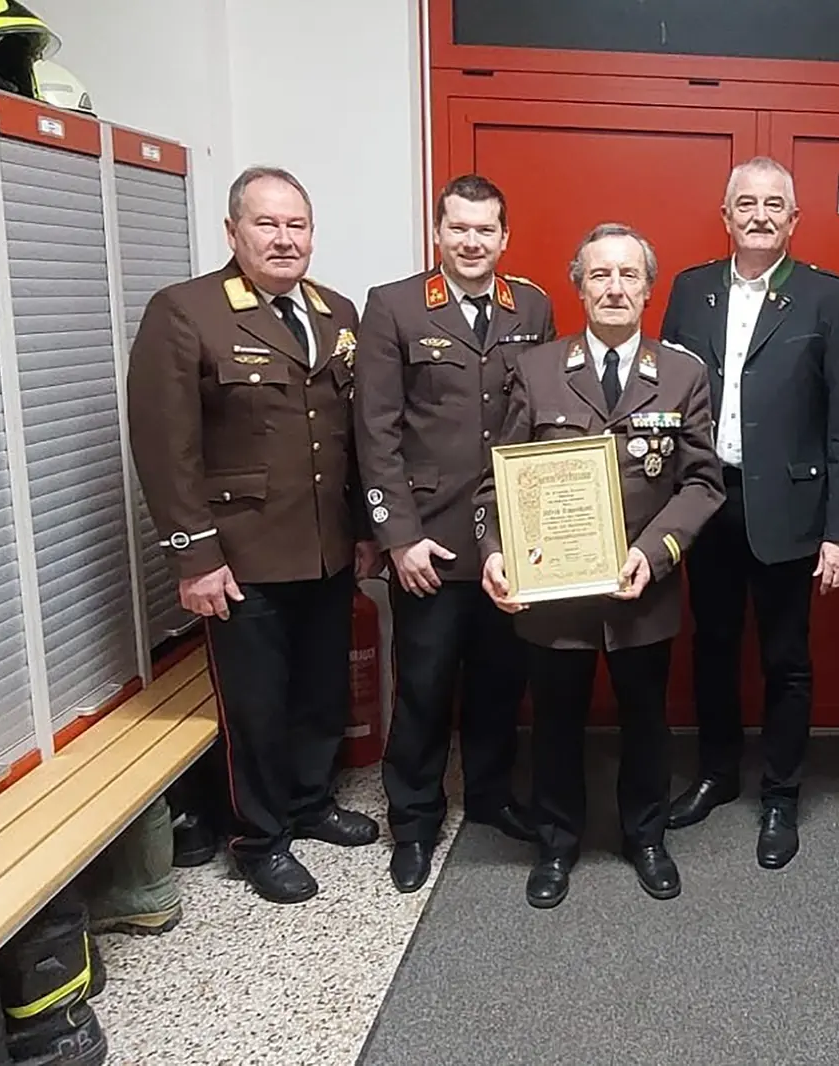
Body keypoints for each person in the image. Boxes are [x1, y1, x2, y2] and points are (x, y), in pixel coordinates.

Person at [127, 166, 383, 906]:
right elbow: (165, 447)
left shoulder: (335, 313)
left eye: (296, 225)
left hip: (326, 546)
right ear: (232, 231)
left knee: (320, 688)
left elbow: (349, 435)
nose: (283, 239)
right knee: (257, 705)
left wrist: (364, 529)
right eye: (266, 224)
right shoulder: (187, 312)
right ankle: (258, 838)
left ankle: (309, 802)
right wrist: (194, 557)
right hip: (241, 556)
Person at [476, 222, 724, 909]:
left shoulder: (683, 374)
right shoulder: (536, 370)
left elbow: (702, 484)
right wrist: (494, 553)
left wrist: (655, 552)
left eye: (628, 275)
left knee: (647, 720)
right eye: (600, 275)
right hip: (553, 592)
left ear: (649, 289)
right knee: (555, 721)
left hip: (642, 586)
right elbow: (497, 479)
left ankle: (647, 837)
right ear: (579, 288)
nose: (615, 287)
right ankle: (556, 843)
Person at [660, 156, 839, 868]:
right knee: (712, 645)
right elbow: (664, 401)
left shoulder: (825, 297)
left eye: (774, 204)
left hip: (789, 507)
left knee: (786, 659)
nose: (759, 215)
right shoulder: (690, 290)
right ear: (725, 216)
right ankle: (717, 773)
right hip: (706, 500)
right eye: (745, 203)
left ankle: (781, 794)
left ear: (794, 218)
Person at [353, 174, 556, 893]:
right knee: (425, 684)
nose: (472, 241)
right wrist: (396, 537)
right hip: (429, 539)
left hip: (509, 537)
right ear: (438, 233)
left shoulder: (531, 306)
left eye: (485, 229)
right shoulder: (395, 306)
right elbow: (375, 430)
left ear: (505, 237)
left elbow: (546, 417)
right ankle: (414, 821)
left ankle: (492, 794)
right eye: (459, 228)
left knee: (502, 678)